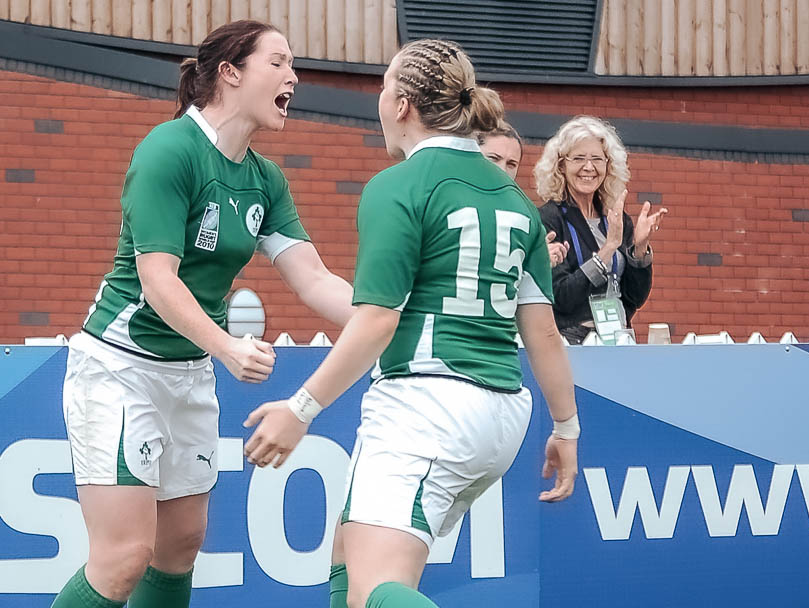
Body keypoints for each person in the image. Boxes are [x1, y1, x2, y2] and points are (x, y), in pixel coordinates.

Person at [242, 39, 581, 608]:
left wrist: (299, 409)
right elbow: (542, 333)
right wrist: (567, 429)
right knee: (348, 555)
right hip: (500, 415)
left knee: (374, 592)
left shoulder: (399, 185)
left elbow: (377, 321)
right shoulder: (515, 200)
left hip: (426, 406)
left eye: (383, 87)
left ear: (401, 104)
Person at [51, 21, 355, 608]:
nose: (293, 77)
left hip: (188, 374)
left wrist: (391, 317)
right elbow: (157, 279)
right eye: (279, 62)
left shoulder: (265, 179)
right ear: (230, 73)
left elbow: (315, 279)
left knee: (180, 547)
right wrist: (227, 345)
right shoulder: (170, 149)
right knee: (123, 557)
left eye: (293, 65)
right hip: (120, 368)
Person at [534, 116, 667, 344]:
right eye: (578, 158)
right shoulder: (549, 218)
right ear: (561, 165)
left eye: (597, 159)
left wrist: (639, 250)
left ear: (608, 165)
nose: (589, 167)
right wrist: (608, 249)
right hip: (571, 341)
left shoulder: (615, 218)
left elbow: (635, 298)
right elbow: (561, 296)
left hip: (618, 338)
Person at [477, 122, 569, 267]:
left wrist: (536, 261)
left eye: (511, 164)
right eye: (493, 158)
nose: (502, 170)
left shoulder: (525, 217)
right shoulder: (447, 202)